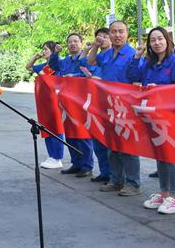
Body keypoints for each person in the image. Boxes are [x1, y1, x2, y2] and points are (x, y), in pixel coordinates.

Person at [127, 27, 175, 214]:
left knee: (172, 157)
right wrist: (137, 57)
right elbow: (133, 77)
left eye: (160, 39)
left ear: (167, 40)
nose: (157, 43)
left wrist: (164, 87)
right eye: (153, 40)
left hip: (171, 116)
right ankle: (164, 193)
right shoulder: (149, 63)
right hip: (153, 116)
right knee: (161, 157)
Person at [87, 20, 141, 197]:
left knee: (128, 147)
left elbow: (137, 80)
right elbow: (91, 61)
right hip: (108, 106)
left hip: (125, 107)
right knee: (112, 146)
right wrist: (95, 45)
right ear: (109, 35)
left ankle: (133, 183)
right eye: (113, 31)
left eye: (121, 31)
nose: (117, 35)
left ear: (127, 34)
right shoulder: (107, 54)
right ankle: (116, 180)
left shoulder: (132, 54)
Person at [48, 33, 94, 177]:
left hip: (81, 102)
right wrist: (55, 53)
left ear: (81, 43)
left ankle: (87, 166)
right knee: (70, 134)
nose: (73, 44)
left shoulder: (85, 59)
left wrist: (73, 77)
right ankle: (76, 163)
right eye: (70, 42)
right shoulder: (66, 60)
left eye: (76, 41)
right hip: (67, 103)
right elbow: (53, 66)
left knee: (83, 135)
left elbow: (89, 75)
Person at [26, 41, 66, 169]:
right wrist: (35, 57)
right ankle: (52, 155)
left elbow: (55, 66)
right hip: (44, 101)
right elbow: (29, 67)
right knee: (46, 127)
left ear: (53, 51)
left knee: (56, 127)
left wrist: (56, 53)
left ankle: (57, 157)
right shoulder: (44, 66)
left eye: (46, 49)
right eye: (43, 49)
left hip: (55, 100)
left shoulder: (58, 63)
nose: (43, 51)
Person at [84, 28, 112, 184]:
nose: (102, 39)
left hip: (110, 104)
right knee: (97, 140)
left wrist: (100, 81)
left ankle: (114, 175)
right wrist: (94, 46)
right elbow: (88, 61)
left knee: (110, 143)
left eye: (105, 37)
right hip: (95, 102)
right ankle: (104, 172)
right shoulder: (99, 56)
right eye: (99, 37)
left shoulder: (117, 55)